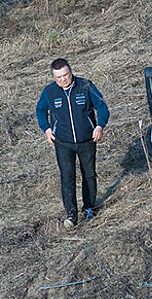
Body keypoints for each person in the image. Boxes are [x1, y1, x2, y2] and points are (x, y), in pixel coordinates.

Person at [35, 58, 110, 229]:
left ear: (71, 72)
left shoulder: (85, 86)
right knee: (67, 178)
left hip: (87, 140)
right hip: (63, 143)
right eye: (58, 77)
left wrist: (99, 126)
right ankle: (71, 214)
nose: (63, 80)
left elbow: (102, 107)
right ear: (54, 77)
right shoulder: (50, 92)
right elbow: (40, 110)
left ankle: (89, 207)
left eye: (65, 75)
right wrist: (46, 129)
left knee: (89, 175)